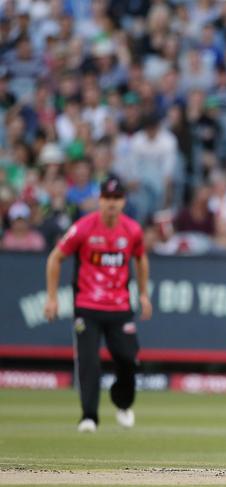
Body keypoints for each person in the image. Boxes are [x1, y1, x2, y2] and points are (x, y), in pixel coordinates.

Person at [44, 176, 152, 433]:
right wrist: (51, 297)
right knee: (89, 361)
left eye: (116, 199)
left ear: (123, 201)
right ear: (99, 200)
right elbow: (55, 257)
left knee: (128, 359)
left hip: (119, 306)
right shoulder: (83, 227)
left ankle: (123, 403)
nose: (111, 204)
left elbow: (141, 259)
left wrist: (144, 294)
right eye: (107, 199)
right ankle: (89, 416)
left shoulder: (132, 230)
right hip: (87, 306)